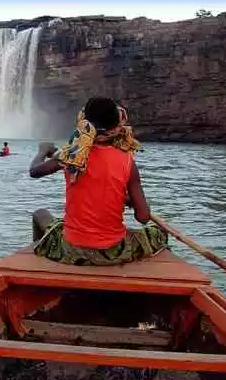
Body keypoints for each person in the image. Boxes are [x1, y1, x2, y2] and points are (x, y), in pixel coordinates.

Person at [28, 97, 168, 266]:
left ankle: (39, 264)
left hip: (70, 250)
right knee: (158, 232)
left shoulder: (70, 156)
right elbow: (144, 217)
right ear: (117, 126)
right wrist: (130, 201)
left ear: (84, 122)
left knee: (40, 214)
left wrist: (42, 151)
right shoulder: (127, 162)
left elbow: (34, 171)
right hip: (113, 252)